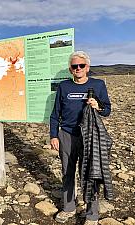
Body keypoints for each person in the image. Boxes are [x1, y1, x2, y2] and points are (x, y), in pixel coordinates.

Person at [50, 51, 111, 225]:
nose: (78, 69)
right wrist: (54, 135)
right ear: (70, 69)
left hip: (89, 136)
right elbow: (55, 114)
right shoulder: (64, 87)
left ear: (87, 68)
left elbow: (107, 110)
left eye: (81, 66)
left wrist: (98, 106)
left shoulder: (97, 85)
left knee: (91, 174)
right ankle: (69, 208)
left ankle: (92, 215)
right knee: (67, 173)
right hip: (67, 135)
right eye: (74, 66)